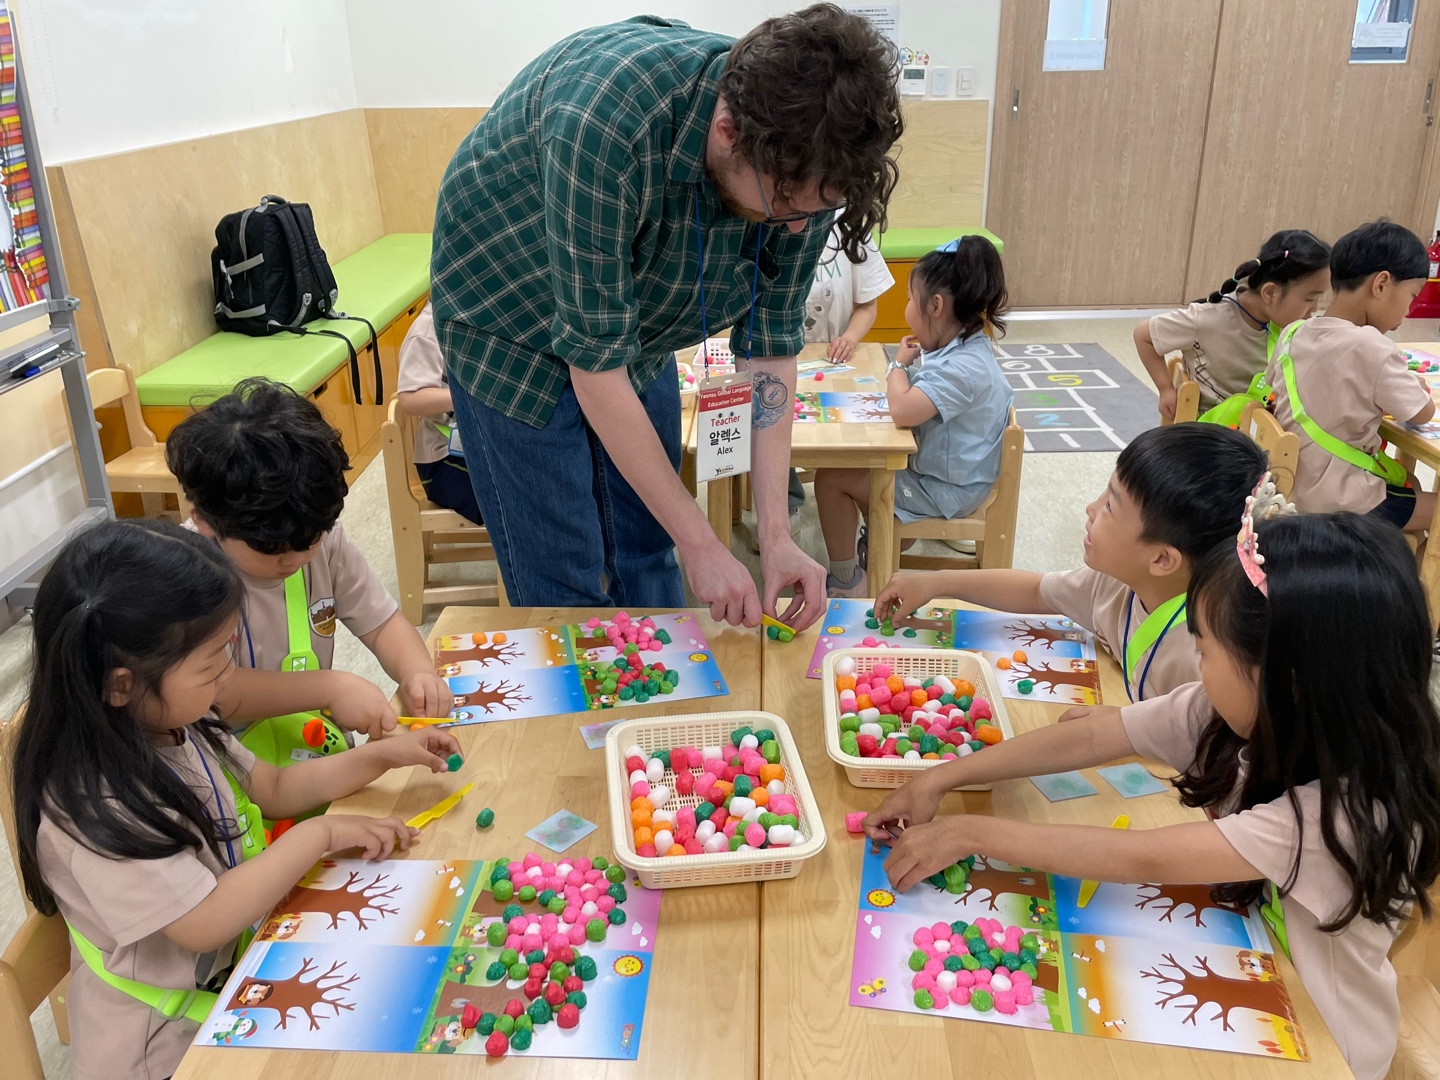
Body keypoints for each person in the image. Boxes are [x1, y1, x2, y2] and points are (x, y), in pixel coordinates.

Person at [864, 506, 1440, 1080]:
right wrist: (938, 778)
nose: (1196, 663)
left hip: (1321, 1044)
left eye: (1207, 650)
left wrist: (969, 831)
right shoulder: (1241, 711)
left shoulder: (1340, 814)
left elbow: (1145, 858)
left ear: (1284, 680)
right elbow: (1093, 735)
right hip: (1247, 958)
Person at [430, 5, 904, 629]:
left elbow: (770, 349)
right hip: (505, 319)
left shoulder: (802, 156)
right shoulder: (603, 124)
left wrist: (778, 533)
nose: (797, 226)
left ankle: (662, 719)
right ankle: (593, 724)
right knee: (563, 576)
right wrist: (704, 543)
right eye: (786, 204)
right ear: (728, 130)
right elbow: (597, 372)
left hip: (635, 325)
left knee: (648, 541)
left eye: (815, 210)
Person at [11, 519, 462, 1080]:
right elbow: (205, 921)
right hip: (164, 1049)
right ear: (121, 685)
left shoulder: (178, 721)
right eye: (210, 665)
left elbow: (272, 788)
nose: (229, 678)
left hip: (236, 985)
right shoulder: (95, 802)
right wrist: (318, 835)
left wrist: (382, 757)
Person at [166, 378, 453, 768]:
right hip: (228, 765)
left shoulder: (319, 538)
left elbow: (381, 622)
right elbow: (218, 691)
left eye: (312, 539)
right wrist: (331, 688)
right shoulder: (181, 577)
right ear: (204, 518)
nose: (298, 559)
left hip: (311, 750)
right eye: (274, 552)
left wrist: (417, 672)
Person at [875, 424, 1266, 701]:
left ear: (1162, 559)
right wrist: (935, 582)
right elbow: (1034, 590)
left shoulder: (1205, 653)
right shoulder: (1115, 582)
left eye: (1111, 506)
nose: (1092, 508)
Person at [816, 237, 1012, 598]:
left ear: (936, 306)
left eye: (909, 299)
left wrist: (897, 366)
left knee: (831, 477)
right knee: (862, 462)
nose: (907, 307)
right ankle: (880, 539)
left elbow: (902, 411)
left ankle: (847, 583)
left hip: (946, 491)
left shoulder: (964, 369)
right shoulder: (966, 348)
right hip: (946, 476)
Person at [1265, 220, 1435, 529]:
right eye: (1412, 296)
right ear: (1381, 284)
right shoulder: (1374, 347)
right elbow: (1422, 413)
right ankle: (1408, 571)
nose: (1408, 312)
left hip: (1288, 485)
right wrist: (1417, 386)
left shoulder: (1293, 333)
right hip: (1343, 501)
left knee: (1409, 482)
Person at [1134, 229, 1330, 421]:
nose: (1314, 309)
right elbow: (1143, 335)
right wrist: (1166, 389)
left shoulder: (1280, 322)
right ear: (1270, 293)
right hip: (1214, 427)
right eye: (1309, 299)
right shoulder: (1208, 319)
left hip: (1256, 417)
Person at [395, 302, 482, 525]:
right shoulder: (427, 330)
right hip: (443, 461)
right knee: (524, 498)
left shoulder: (474, 318)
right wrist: (472, 398)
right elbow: (409, 399)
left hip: (473, 449)